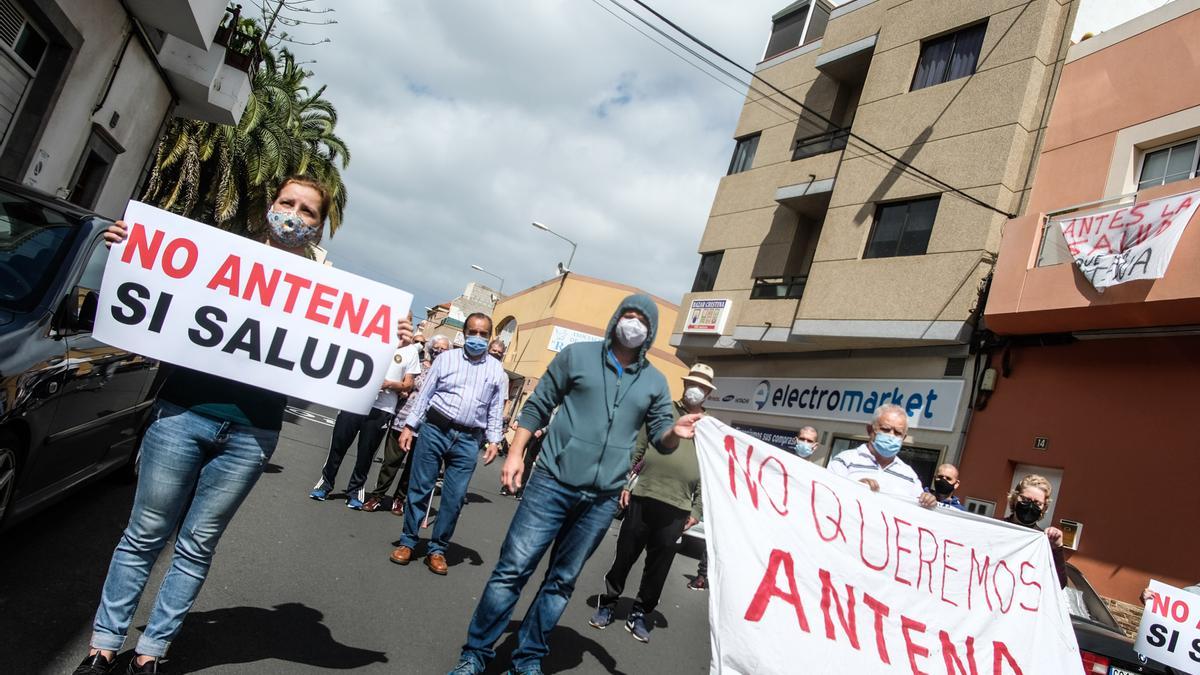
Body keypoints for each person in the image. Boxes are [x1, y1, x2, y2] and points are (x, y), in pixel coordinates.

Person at [74, 176, 414, 675]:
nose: (294, 215)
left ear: (320, 227)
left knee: (196, 545)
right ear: (270, 206)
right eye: (287, 203)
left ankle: (150, 654)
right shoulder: (215, 253)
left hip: (252, 434)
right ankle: (103, 647)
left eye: (308, 211)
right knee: (145, 533)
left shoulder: (332, 291)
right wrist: (123, 253)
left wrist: (390, 336)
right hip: (181, 414)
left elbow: (346, 351)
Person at [447, 295, 703, 675]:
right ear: (616, 319)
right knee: (512, 570)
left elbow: (662, 439)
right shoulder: (577, 357)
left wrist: (675, 432)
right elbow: (538, 405)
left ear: (649, 333)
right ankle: (476, 654)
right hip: (551, 483)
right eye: (628, 316)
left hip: (600, 501)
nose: (633, 324)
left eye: (641, 321)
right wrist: (516, 453)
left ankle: (528, 657)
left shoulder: (653, 382)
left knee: (561, 582)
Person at [590, 363, 715, 643]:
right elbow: (639, 447)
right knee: (624, 555)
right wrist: (625, 482)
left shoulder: (710, 429)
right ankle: (608, 603)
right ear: (684, 384)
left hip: (679, 507)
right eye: (692, 383)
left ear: (708, 393)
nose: (696, 389)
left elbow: (710, 474)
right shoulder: (661, 410)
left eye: (702, 386)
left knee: (659, 567)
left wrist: (697, 509)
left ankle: (640, 613)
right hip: (643, 494)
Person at [389, 313, 507, 576]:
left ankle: (437, 549)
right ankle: (408, 541)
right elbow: (425, 394)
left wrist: (494, 440)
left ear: (488, 338)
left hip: (468, 440)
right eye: (473, 332)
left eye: (483, 334)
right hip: (435, 430)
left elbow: (496, 409)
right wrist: (410, 426)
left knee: (454, 499)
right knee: (420, 488)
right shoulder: (446, 359)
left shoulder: (497, 371)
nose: (478, 338)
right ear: (464, 334)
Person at [688, 422, 821, 592]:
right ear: (795, 440)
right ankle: (704, 575)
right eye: (802, 439)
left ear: (815, 446)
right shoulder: (778, 462)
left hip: (788, 527)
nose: (805, 443)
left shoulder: (816, 475)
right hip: (765, 516)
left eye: (809, 441)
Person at [309, 335, 420, 509]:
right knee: (338, 446)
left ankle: (354, 491)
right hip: (354, 401)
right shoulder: (371, 338)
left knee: (366, 454)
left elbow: (408, 385)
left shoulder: (411, 351)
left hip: (382, 408)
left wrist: (389, 384)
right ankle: (325, 485)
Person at [363, 335, 449, 514]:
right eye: (437, 347)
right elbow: (403, 383)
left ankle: (399, 499)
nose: (440, 351)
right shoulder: (416, 366)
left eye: (444, 349)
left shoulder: (447, 373)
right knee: (391, 461)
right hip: (402, 419)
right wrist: (402, 390)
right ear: (429, 348)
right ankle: (377, 496)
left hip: (427, 425)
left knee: (412, 466)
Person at [828, 404, 938, 508]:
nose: (891, 435)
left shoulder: (909, 475)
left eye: (898, 433)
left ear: (904, 438)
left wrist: (928, 501)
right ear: (870, 430)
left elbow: (918, 511)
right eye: (885, 429)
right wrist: (855, 488)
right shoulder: (844, 461)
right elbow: (826, 495)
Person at [1003, 474, 1067, 588]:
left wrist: (1057, 548)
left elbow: (1059, 584)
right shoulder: (996, 527)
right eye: (1026, 499)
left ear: (1044, 508)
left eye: (1038, 503)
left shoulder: (1045, 541)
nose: (1030, 505)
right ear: (1014, 498)